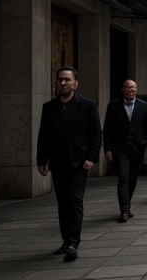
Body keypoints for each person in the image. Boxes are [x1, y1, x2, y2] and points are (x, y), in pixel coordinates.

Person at [35, 66, 102, 262]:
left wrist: (91, 157)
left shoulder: (87, 106)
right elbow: (43, 135)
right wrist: (41, 160)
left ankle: (73, 242)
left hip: (80, 163)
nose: (62, 83)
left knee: (75, 200)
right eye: (59, 80)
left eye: (66, 80)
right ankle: (66, 240)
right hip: (57, 162)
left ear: (75, 83)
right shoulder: (49, 107)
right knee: (62, 203)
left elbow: (96, 133)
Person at [102, 79, 147, 223]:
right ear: (122, 90)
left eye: (134, 88)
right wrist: (108, 148)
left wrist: (143, 143)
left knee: (132, 178)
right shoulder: (113, 106)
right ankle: (123, 209)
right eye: (128, 88)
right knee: (123, 177)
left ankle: (127, 204)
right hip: (120, 149)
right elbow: (108, 129)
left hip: (137, 149)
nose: (131, 90)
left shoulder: (143, 106)